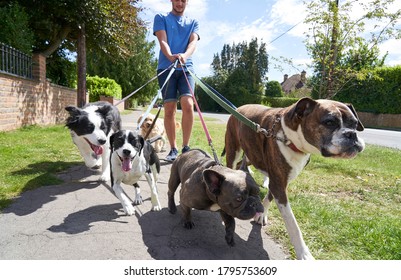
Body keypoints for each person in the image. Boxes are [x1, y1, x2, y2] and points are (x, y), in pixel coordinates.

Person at [153, 0, 200, 162]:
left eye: (183, 0)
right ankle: (173, 148)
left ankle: (186, 148)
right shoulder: (161, 17)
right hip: (166, 69)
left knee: (188, 103)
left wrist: (184, 57)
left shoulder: (193, 22)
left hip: (186, 69)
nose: (179, 3)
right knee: (169, 109)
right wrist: (171, 57)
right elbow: (163, 41)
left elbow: (193, 43)